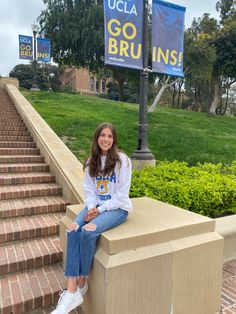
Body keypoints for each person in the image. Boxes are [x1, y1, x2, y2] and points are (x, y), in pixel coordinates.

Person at [51, 122, 133, 314]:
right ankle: (72, 291)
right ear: (97, 138)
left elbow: (121, 195)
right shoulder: (91, 162)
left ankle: (82, 280)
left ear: (114, 140)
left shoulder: (122, 161)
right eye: (102, 135)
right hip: (95, 208)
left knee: (88, 232)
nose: (106, 139)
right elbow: (89, 191)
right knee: (72, 229)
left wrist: (100, 209)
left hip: (117, 209)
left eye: (110, 136)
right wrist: (91, 207)